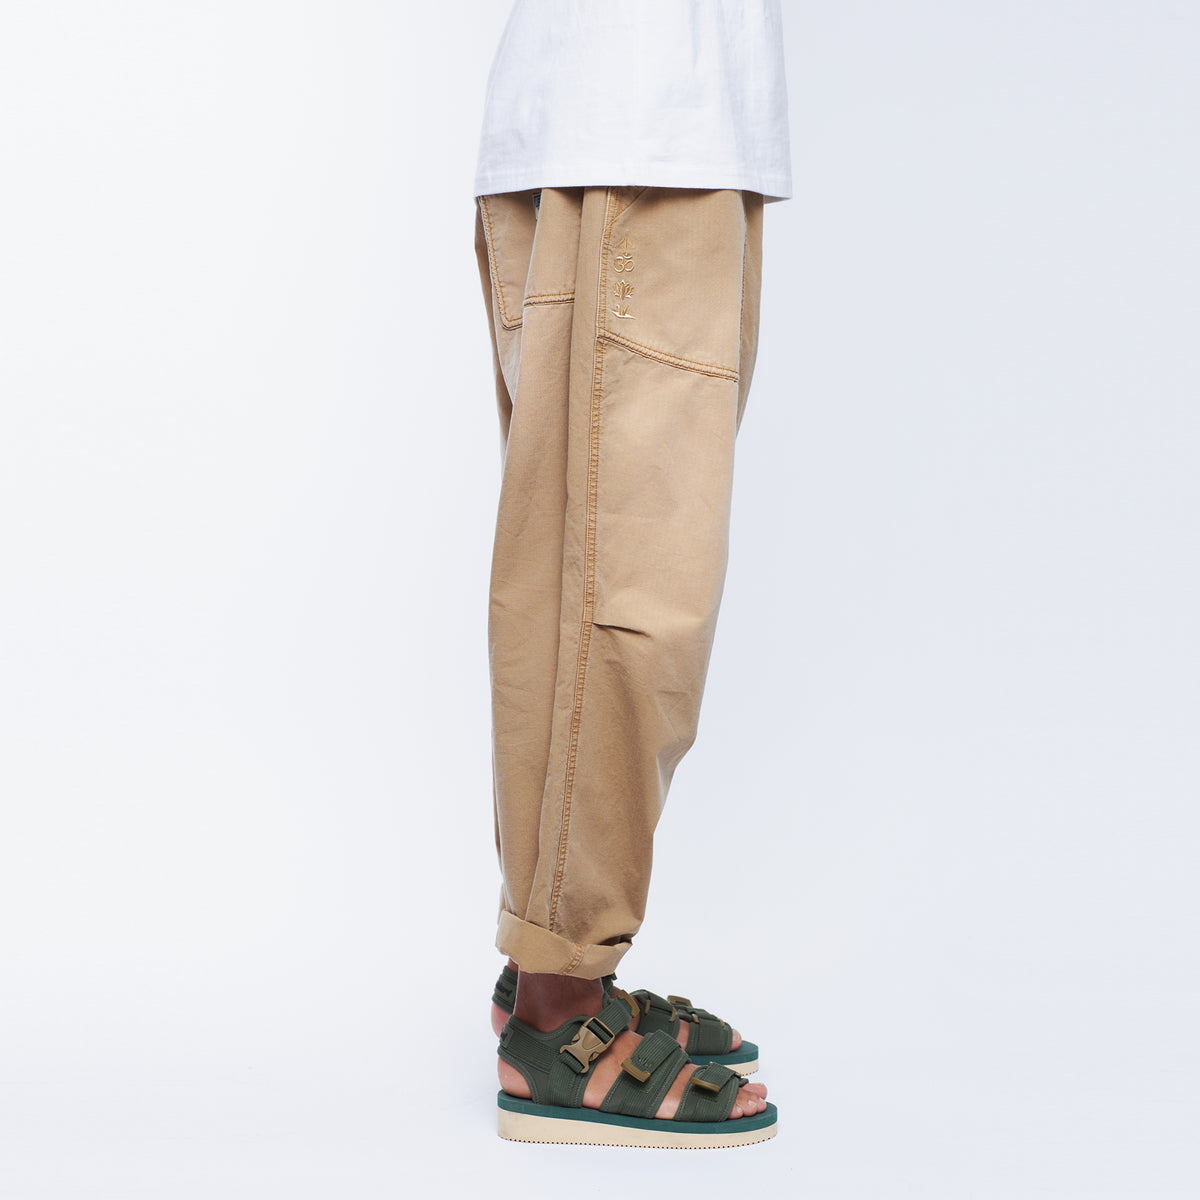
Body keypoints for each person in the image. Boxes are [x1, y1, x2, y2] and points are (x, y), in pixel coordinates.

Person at [473, 0, 791, 1148]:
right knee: (627, 596)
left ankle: (560, 972)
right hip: (640, 128)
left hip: (655, 128)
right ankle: (558, 1015)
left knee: (599, 580)